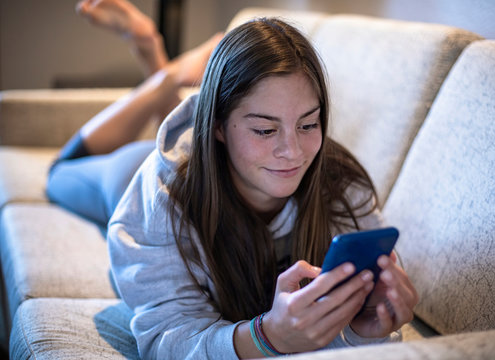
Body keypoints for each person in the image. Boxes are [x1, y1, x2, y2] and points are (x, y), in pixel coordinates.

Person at [105, 15, 419, 360]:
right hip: (122, 173)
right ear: (219, 125)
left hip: (209, 157)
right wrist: (268, 337)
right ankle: (159, 61)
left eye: (308, 124)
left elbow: (360, 340)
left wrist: (362, 331)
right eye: (265, 131)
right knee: (63, 173)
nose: (294, 152)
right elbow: (168, 341)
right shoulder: (162, 196)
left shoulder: (341, 187)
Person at [47, 0, 223, 226]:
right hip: (149, 175)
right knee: (58, 172)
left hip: (152, 170)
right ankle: (167, 71)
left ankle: (164, 68)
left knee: (59, 170)